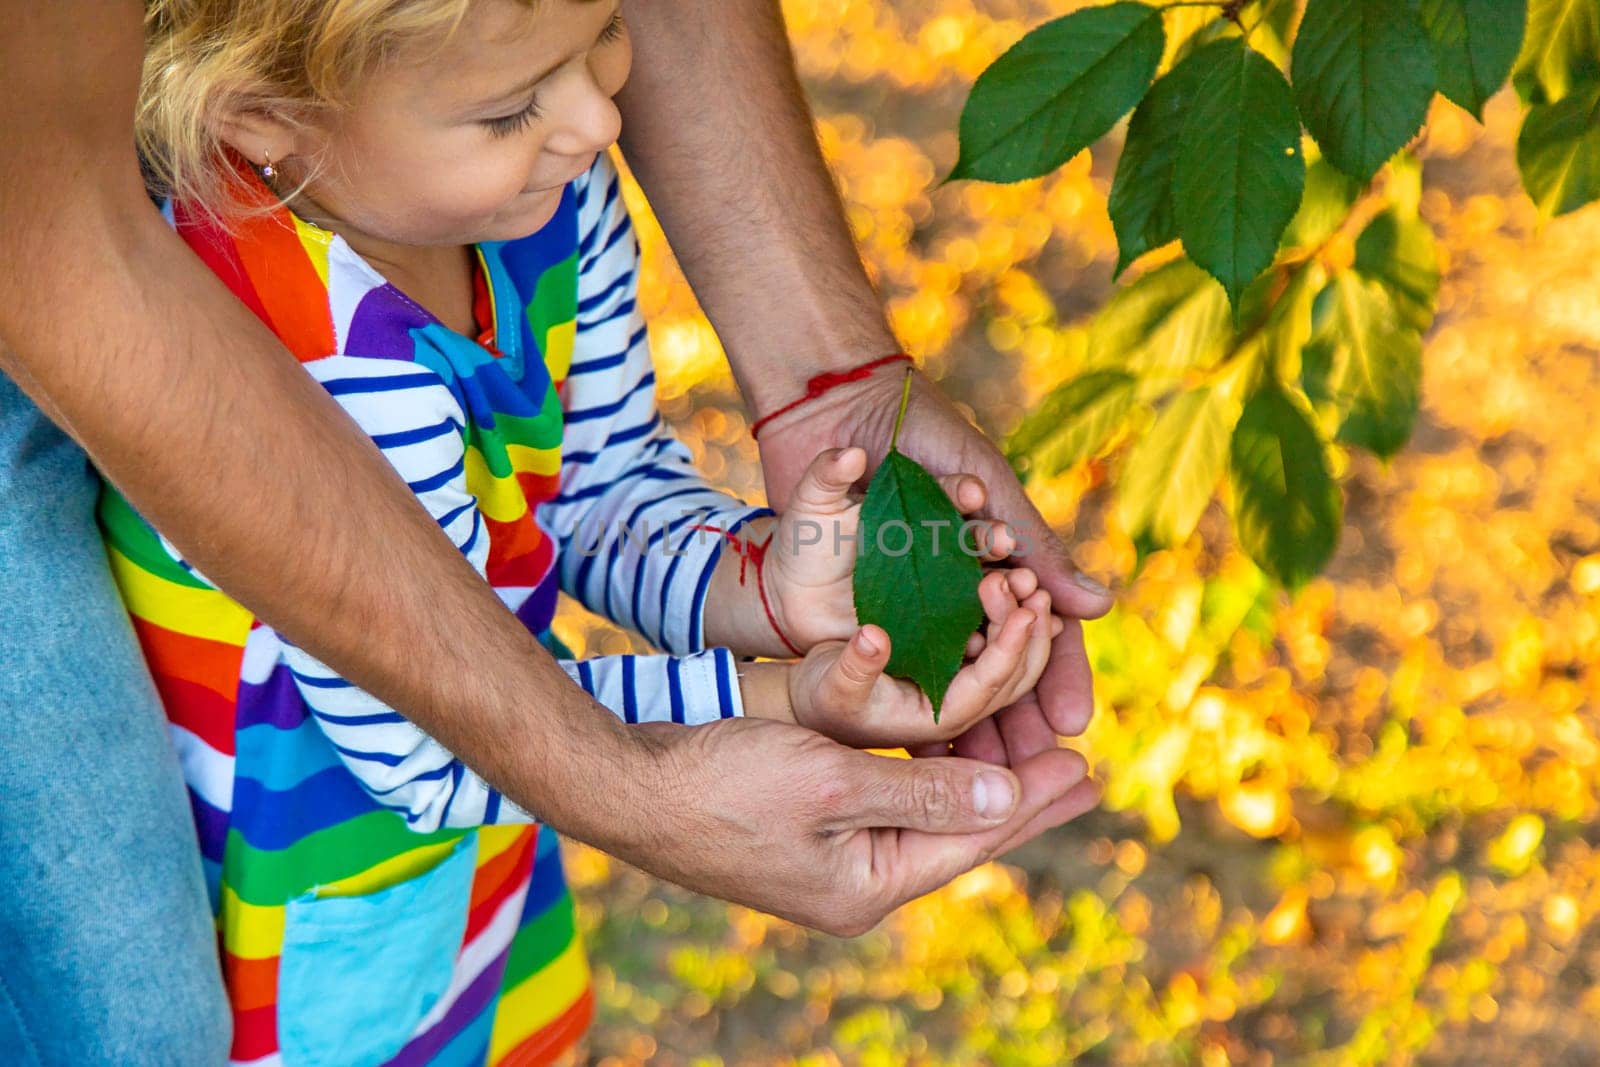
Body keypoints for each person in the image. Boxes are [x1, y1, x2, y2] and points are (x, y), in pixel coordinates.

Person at [0, 1, 1111, 1064]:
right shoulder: (309, 352)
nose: (597, 121)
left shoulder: (532, 205)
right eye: (509, 108)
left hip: (470, 838)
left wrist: (771, 587)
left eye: (606, 33)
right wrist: (777, 700)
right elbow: (423, 752)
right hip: (293, 911)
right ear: (263, 116)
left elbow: (598, 489)